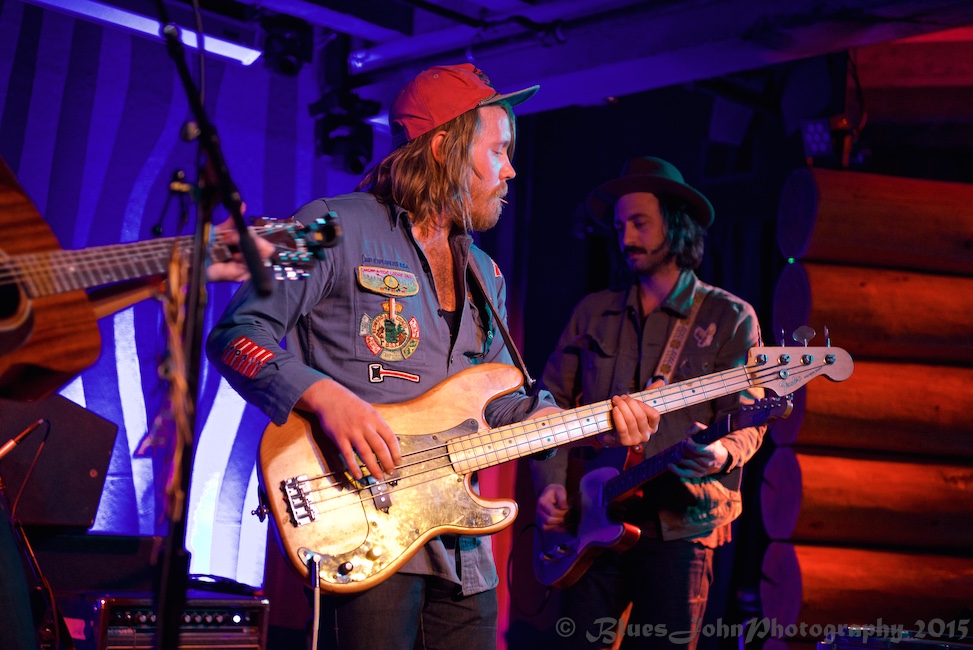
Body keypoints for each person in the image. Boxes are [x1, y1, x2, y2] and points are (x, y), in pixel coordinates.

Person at [205, 64, 659, 650]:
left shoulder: (486, 273)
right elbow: (236, 335)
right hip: (364, 528)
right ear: (446, 148)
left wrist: (591, 428)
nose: (511, 170)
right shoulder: (325, 224)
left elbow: (509, 403)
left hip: (465, 555)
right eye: (499, 151)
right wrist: (324, 397)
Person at [531, 156, 767, 649]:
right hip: (589, 521)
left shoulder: (729, 317)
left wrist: (720, 454)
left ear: (676, 226)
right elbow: (547, 403)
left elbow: (750, 414)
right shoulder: (593, 312)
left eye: (640, 223)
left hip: (681, 525)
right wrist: (551, 483)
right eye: (620, 226)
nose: (626, 237)